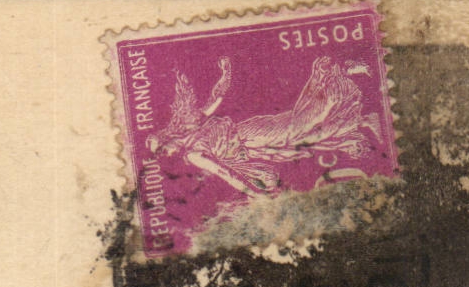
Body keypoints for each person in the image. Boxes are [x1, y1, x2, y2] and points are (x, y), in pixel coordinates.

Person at [147, 55, 383, 195]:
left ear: (169, 137)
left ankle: (337, 73)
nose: (166, 155)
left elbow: (227, 174)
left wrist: (226, 73)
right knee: (305, 133)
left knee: (298, 127)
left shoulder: (194, 141)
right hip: (251, 142)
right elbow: (228, 170)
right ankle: (360, 118)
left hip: (249, 135)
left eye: (162, 150)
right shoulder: (193, 142)